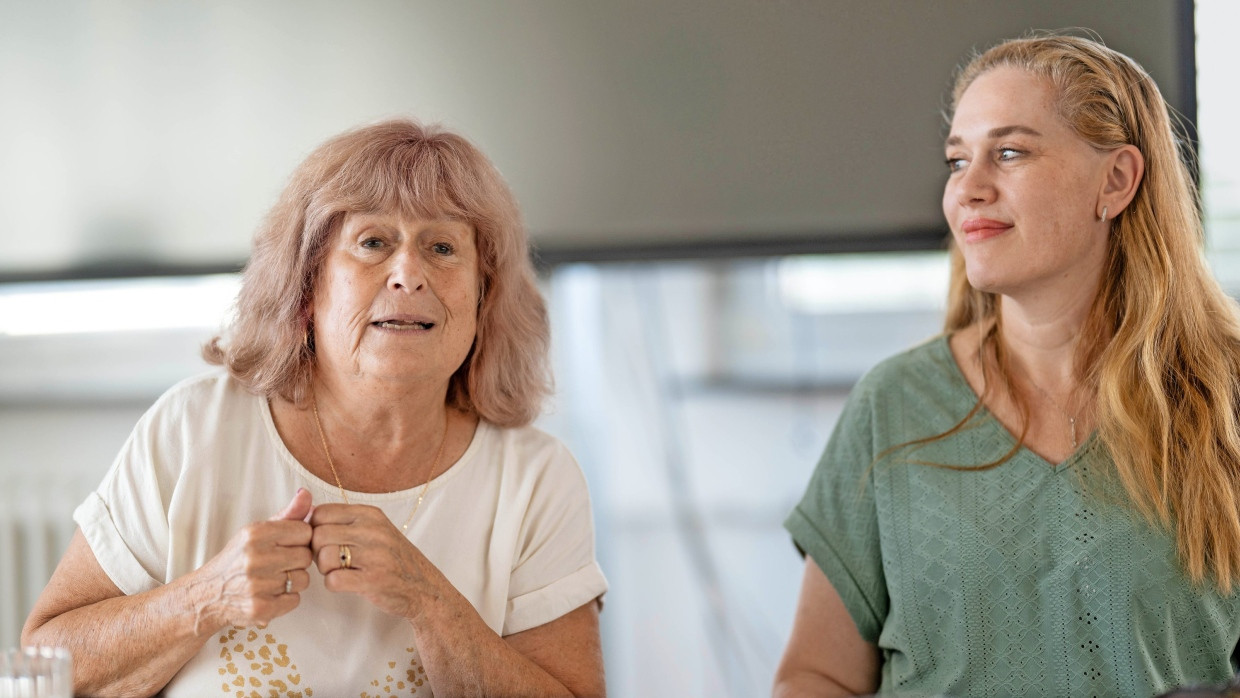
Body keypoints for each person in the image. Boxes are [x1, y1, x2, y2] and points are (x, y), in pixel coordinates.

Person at [22, 120, 608, 697]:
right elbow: (46, 667)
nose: (408, 274)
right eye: (374, 242)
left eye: (442, 247)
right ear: (306, 288)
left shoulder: (536, 478)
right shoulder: (192, 429)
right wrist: (204, 598)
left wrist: (431, 603)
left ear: (485, 298)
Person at [773, 34, 1240, 698]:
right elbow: (814, 677)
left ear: (1116, 180)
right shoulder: (894, 404)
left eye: (1010, 153)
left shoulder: (1228, 399)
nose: (969, 189)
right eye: (958, 160)